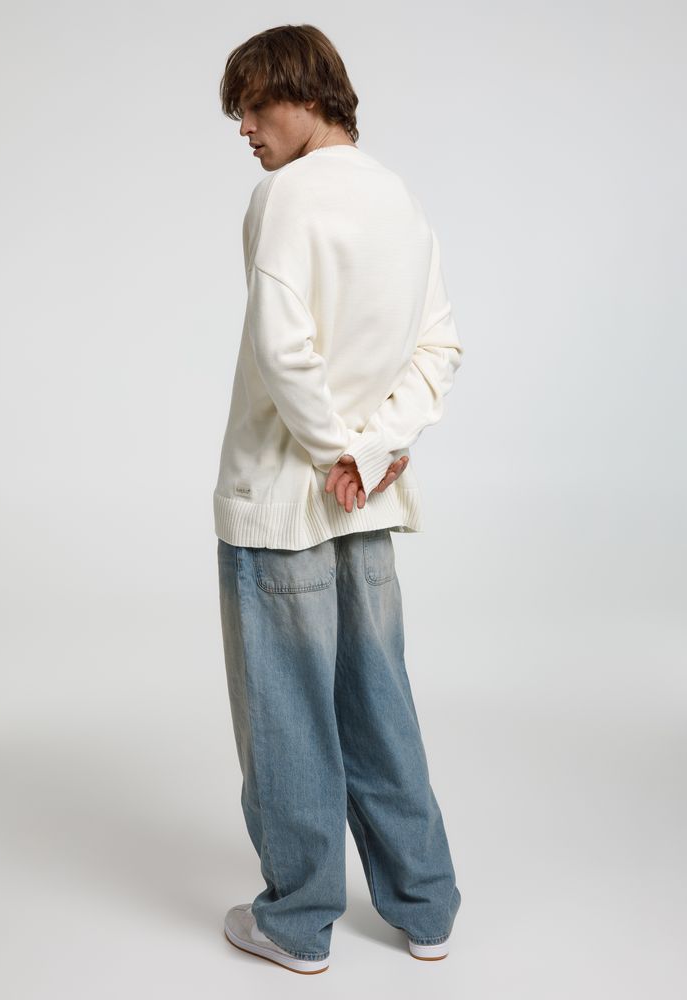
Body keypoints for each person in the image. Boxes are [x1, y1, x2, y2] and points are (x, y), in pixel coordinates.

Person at [214, 24, 463, 975]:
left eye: (253, 104)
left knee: (288, 716)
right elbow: (439, 346)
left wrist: (332, 454)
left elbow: (284, 349)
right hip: (368, 502)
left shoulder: (284, 196)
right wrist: (376, 448)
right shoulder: (400, 198)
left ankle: (298, 920)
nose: (244, 128)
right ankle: (426, 907)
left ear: (307, 93)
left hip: (284, 501)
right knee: (379, 701)